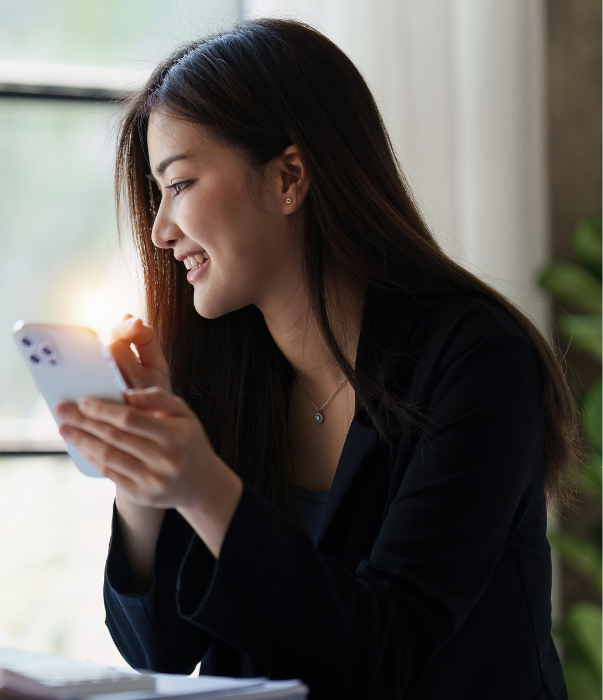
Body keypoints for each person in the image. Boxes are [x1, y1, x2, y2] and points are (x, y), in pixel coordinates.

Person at [53, 18, 578, 700]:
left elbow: (384, 655)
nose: (159, 230)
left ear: (290, 177)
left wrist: (205, 486)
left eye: (179, 184)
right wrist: (141, 476)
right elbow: (158, 650)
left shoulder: (477, 361)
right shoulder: (229, 374)